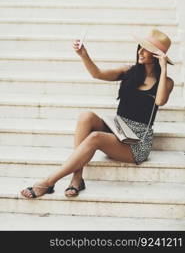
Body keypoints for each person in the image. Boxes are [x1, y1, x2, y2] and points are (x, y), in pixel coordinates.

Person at [21, 28, 174, 198]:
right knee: (86, 116)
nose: (140, 51)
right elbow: (97, 74)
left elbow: (160, 101)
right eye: (140, 47)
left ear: (157, 55)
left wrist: (164, 69)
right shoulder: (129, 72)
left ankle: (48, 183)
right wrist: (83, 54)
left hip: (136, 143)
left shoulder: (166, 82)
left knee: (96, 138)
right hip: (118, 129)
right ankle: (77, 178)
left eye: (146, 49)